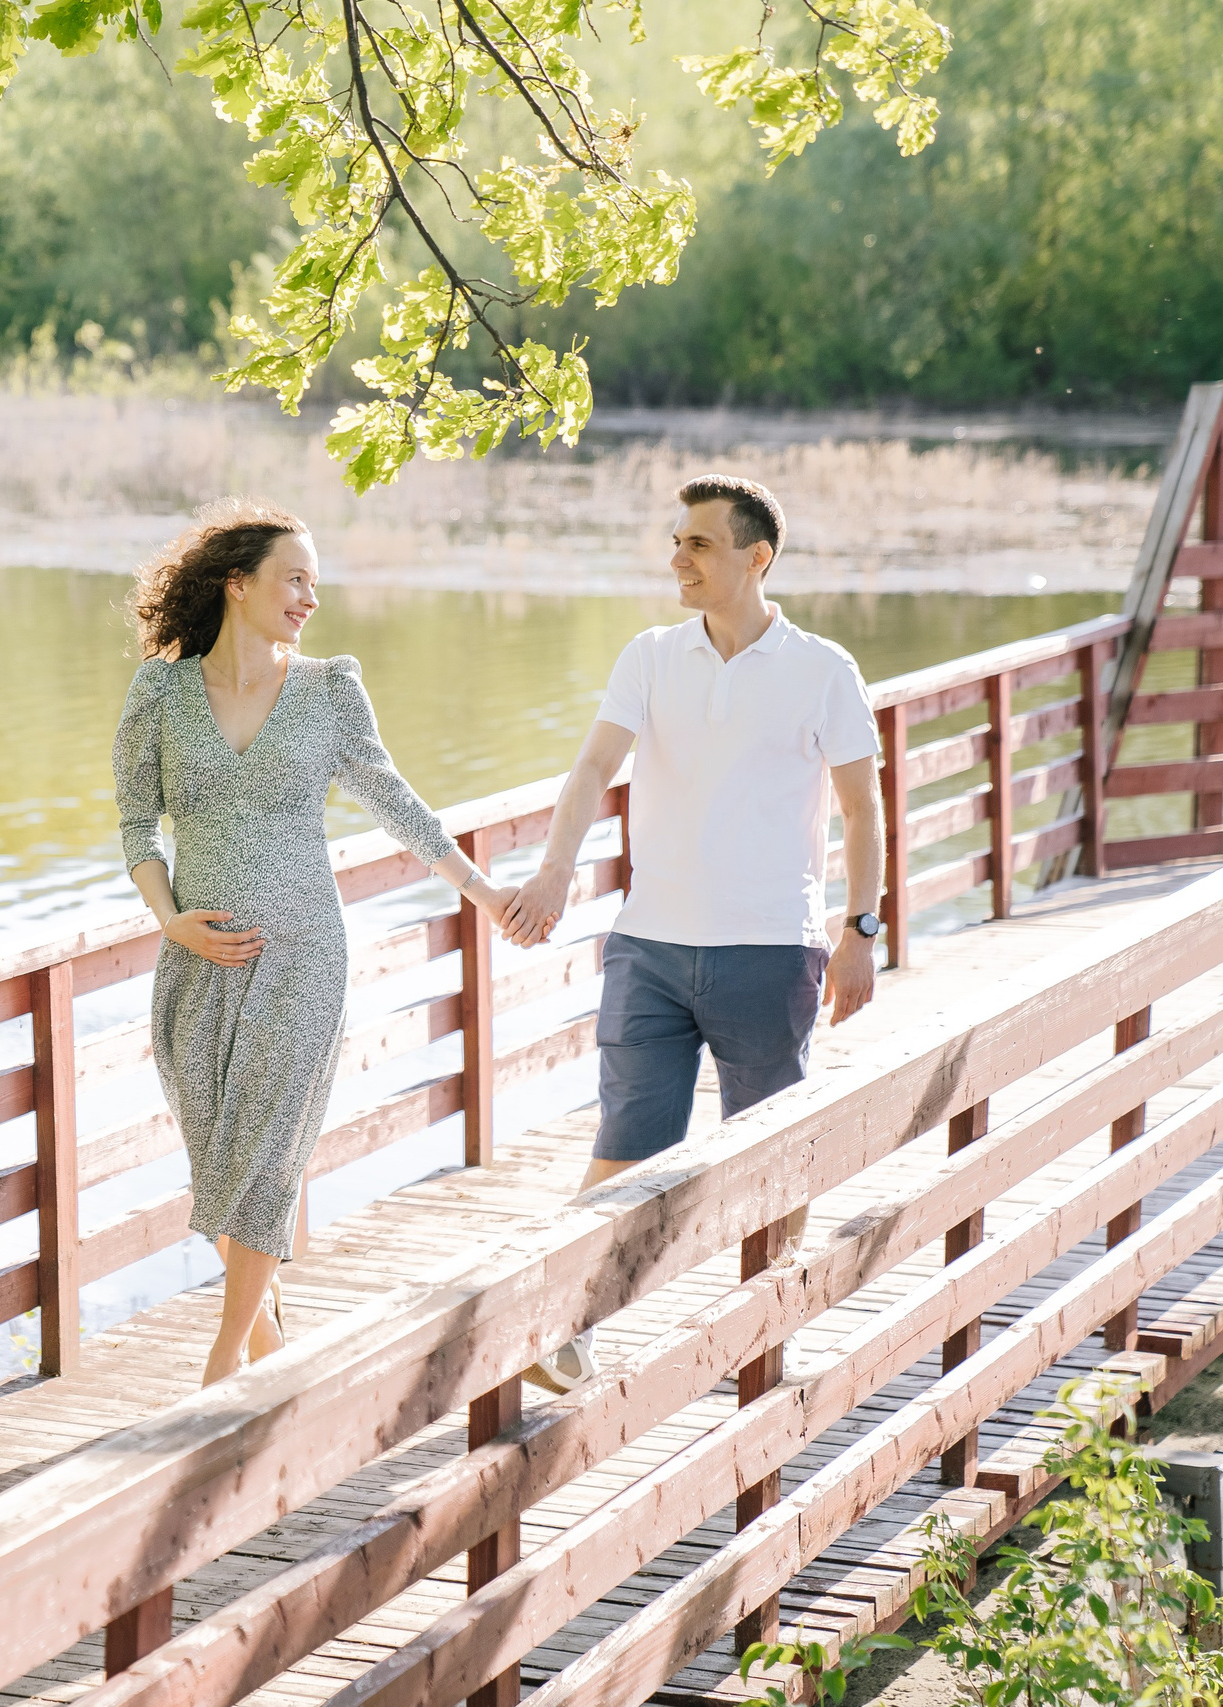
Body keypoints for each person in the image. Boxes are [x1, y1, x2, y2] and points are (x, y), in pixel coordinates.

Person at [113, 499, 516, 1388]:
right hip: (197, 962)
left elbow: (397, 803)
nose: (310, 598)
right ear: (238, 584)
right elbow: (137, 824)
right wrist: (169, 919)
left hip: (302, 958)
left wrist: (483, 891)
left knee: (265, 1156)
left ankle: (221, 1374)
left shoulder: (330, 689)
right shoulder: (161, 693)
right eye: (294, 579)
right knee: (218, 1160)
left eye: (315, 583)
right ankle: (268, 1343)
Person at [499, 474, 885, 1392]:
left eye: (700, 544)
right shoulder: (649, 656)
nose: (678, 558)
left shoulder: (823, 669)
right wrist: (555, 868)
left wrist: (860, 930)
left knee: (767, 1157)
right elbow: (592, 768)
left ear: (757, 557)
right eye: (676, 541)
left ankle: (765, 1329)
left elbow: (862, 811)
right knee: (626, 1142)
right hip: (651, 945)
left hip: (770, 950)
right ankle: (568, 1328)